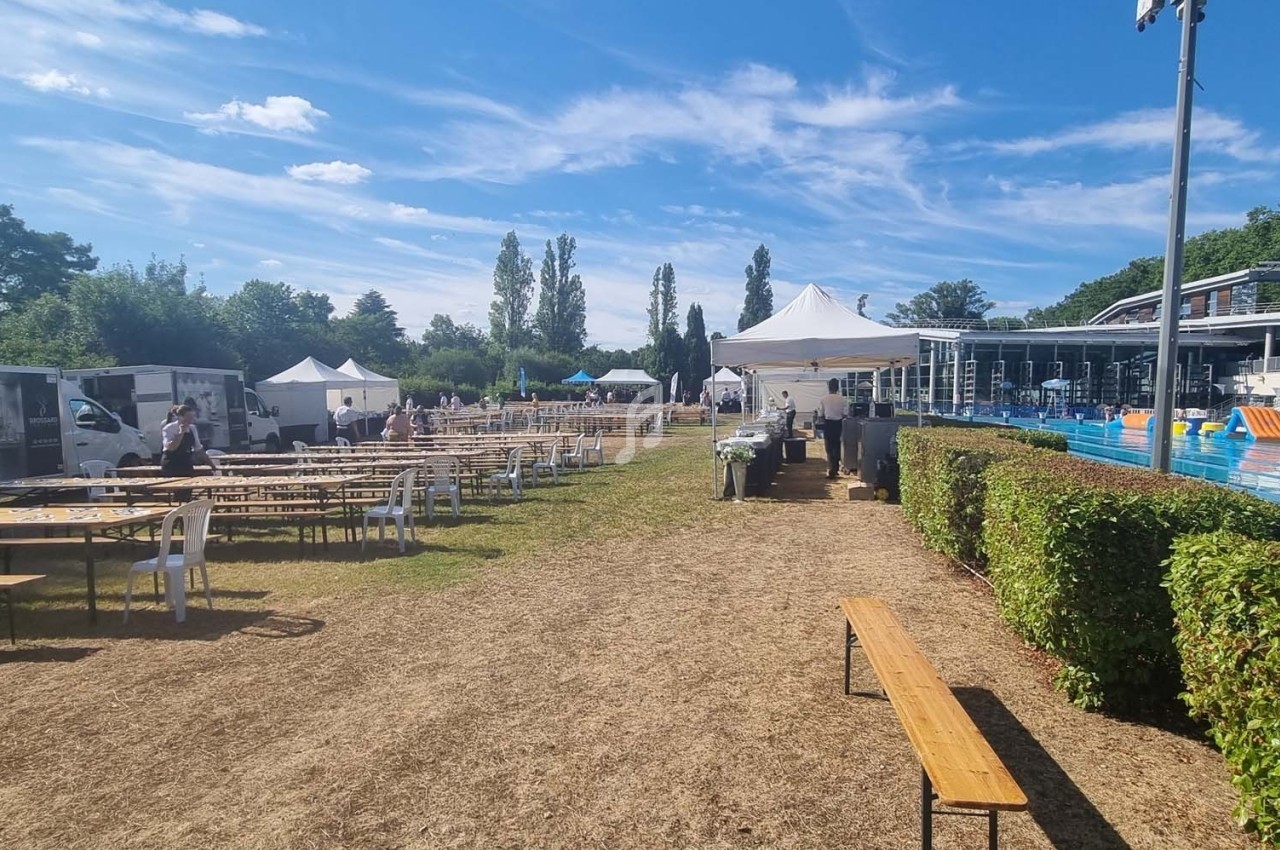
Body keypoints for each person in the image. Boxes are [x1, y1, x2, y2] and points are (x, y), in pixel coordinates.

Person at [161, 404, 204, 477]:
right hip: (171, 464)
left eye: (192, 417)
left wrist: (212, 466)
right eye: (188, 417)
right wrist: (181, 433)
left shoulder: (192, 428)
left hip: (186, 463)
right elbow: (171, 447)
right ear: (180, 417)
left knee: (188, 486)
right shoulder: (168, 428)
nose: (190, 419)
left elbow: (198, 448)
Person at [819, 378, 847, 480]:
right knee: (837, 446)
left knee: (829, 448)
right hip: (838, 424)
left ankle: (831, 468)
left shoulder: (824, 399)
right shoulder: (842, 399)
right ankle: (835, 467)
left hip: (828, 423)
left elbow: (821, 414)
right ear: (838, 387)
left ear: (828, 387)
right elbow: (845, 414)